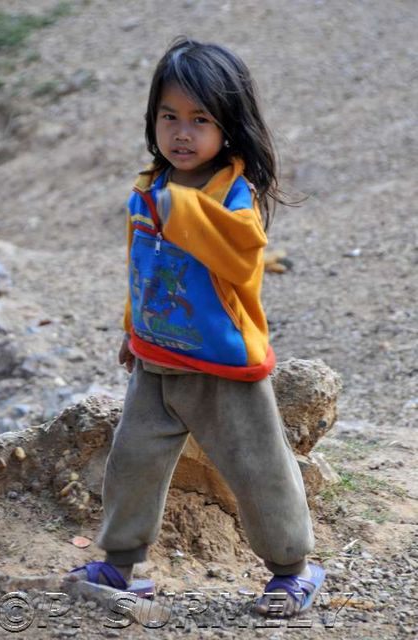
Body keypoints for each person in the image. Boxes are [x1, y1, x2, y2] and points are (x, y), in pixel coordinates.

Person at [66, 37, 325, 618]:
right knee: (132, 464)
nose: (181, 133)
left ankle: (294, 568)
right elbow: (143, 268)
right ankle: (120, 563)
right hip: (156, 359)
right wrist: (131, 329)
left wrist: (177, 208)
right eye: (169, 117)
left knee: (257, 468)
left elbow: (241, 257)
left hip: (223, 364)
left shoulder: (234, 193)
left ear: (228, 126)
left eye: (200, 119)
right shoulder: (148, 188)